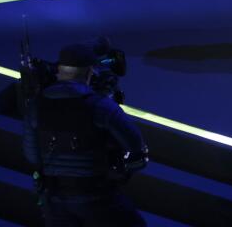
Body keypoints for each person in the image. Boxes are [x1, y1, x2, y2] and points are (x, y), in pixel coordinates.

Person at [22, 43, 148, 226]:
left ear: (58, 71)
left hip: (54, 200)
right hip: (98, 197)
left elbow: (32, 155)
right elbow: (136, 145)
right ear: (90, 73)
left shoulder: (36, 106)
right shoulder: (101, 107)